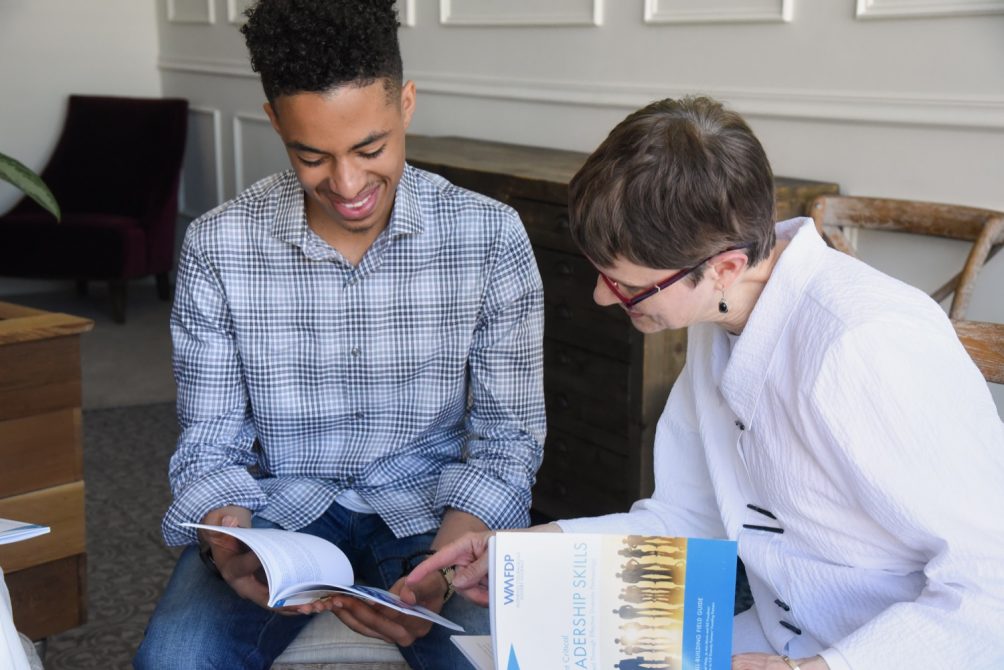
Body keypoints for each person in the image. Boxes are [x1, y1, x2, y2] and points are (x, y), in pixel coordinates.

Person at [407, 96, 1004, 670]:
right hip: (777, 637)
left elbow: (990, 580)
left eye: (625, 285)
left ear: (724, 267)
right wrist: (522, 552)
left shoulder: (863, 343)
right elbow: (687, 519)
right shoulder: (723, 316)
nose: (600, 298)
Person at [134, 0, 545, 667]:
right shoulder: (217, 246)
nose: (349, 184)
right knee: (173, 661)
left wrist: (448, 564)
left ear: (406, 104)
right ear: (275, 122)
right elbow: (210, 439)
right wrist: (225, 537)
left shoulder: (490, 236)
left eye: (370, 148)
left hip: (434, 512)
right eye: (312, 155)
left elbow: (507, 437)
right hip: (278, 511)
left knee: (508, 659)